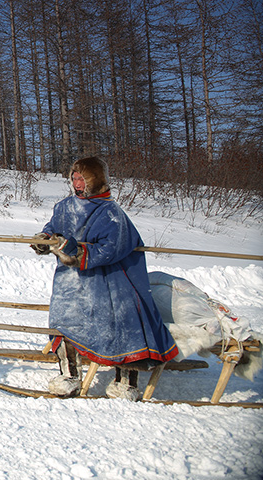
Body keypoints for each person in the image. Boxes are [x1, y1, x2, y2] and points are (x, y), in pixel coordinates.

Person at [31, 156, 179, 400]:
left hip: (106, 279)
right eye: (74, 177)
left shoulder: (111, 212)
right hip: (70, 282)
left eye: (82, 178)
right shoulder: (64, 207)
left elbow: (112, 248)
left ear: (95, 180)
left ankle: (125, 382)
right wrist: (45, 240)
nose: (77, 182)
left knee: (121, 321)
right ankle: (69, 376)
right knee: (64, 322)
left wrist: (74, 250)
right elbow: (52, 228)